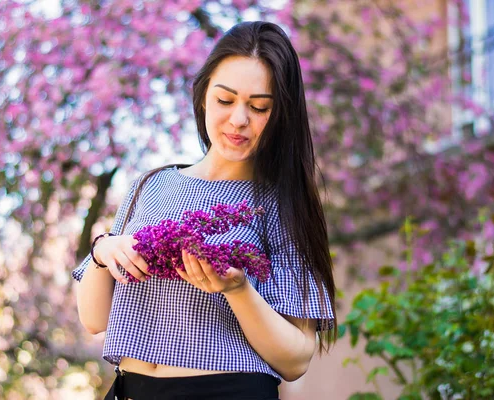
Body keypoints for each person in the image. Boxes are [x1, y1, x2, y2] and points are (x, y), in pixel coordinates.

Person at [72, 21, 337, 400]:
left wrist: (238, 289)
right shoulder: (151, 185)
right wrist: (103, 251)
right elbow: (94, 320)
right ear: (202, 96)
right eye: (225, 100)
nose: (239, 120)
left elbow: (296, 359)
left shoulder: (280, 204)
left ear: (281, 116)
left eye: (259, 107)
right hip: (130, 388)